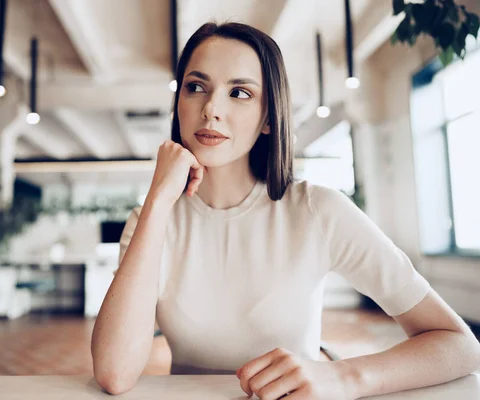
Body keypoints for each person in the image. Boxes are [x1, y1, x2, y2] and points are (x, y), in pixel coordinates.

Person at [91, 22, 480, 399]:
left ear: (267, 119)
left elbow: (460, 345)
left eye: (239, 93)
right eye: (196, 87)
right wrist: (158, 200)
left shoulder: (318, 210)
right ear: (179, 104)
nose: (210, 109)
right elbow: (114, 373)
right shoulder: (152, 221)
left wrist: (344, 377)